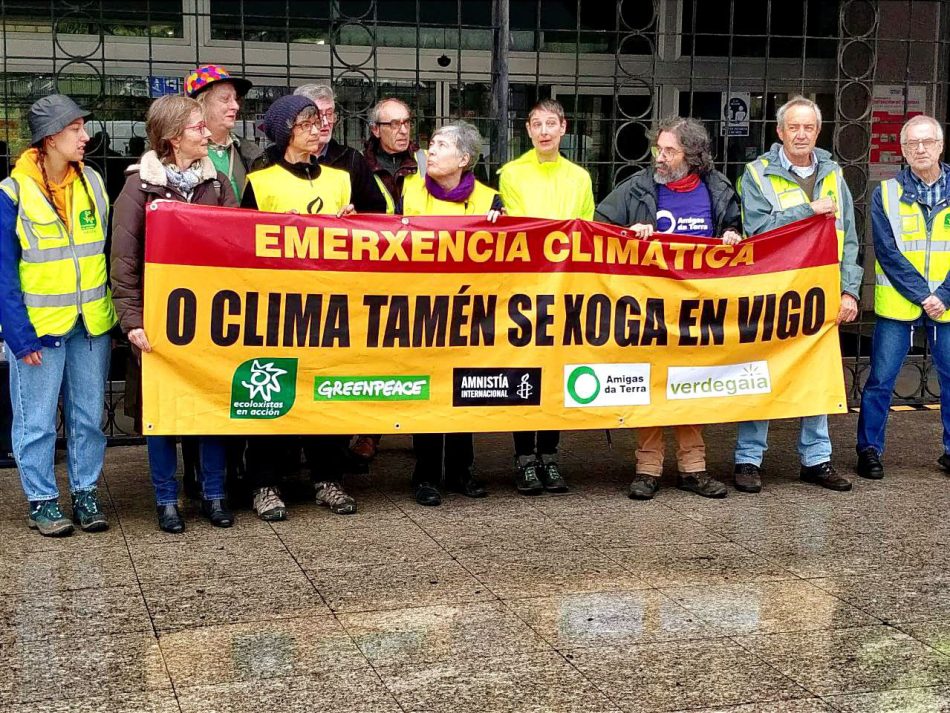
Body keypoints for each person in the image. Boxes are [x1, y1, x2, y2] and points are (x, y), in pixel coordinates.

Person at [111, 95, 239, 533]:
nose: (207, 133)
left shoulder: (217, 184)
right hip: (158, 324)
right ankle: (166, 500)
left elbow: (238, 246)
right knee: (163, 414)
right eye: (197, 128)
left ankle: (214, 494)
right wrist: (133, 322)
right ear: (171, 138)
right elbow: (123, 262)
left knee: (210, 408)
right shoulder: (137, 187)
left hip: (209, 319)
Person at [595, 116, 741, 500]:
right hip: (649, 308)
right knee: (649, 385)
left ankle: (694, 468)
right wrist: (629, 235)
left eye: (669, 151)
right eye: (659, 149)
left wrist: (733, 235)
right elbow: (599, 228)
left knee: (691, 387)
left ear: (692, 156)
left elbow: (738, 232)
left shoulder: (718, 188)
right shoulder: (637, 188)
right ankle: (647, 468)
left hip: (697, 309)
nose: (660, 157)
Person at [0, 94, 117, 536]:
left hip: (91, 323)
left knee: (88, 416)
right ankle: (43, 500)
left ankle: (85, 492)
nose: (85, 137)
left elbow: (101, 251)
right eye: (76, 129)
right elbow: (2, 272)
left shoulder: (93, 183)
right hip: (39, 329)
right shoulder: (11, 193)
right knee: (37, 419)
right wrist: (18, 335)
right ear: (50, 138)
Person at [734, 95, 862, 493]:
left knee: (816, 376)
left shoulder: (834, 174)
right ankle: (748, 459)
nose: (801, 134)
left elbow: (851, 240)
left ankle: (816, 460)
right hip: (772, 294)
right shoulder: (756, 174)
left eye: (809, 127)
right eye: (794, 127)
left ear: (818, 131)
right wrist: (808, 210)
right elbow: (757, 231)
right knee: (761, 373)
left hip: (821, 296)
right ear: (779, 131)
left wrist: (850, 291)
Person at [241, 94, 357, 517]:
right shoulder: (261, 181)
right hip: (278, 308)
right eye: (308, 123)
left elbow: (368, 237)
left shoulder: (340, 179)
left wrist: (353, 223)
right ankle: (265, 484)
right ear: (286, 131)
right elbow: (243, 247)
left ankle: (329, 479)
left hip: (329, 305)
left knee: (327, 394)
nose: (317, 129)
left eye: (320, 122)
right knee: (271, 395)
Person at [401, 120, 502, 506]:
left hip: (469, 310)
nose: (432, 151)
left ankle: (462, 470)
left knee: (464, 390)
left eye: (441, 145)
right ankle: (425, 475)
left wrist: (502, 227)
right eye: (432, 144)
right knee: (428, 392)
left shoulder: (490, 200)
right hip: (421, 307)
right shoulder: (409, 191)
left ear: (463, 158)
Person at [497, 98, 594, 496]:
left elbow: (585, 230)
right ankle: (524, 458)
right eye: (536, 124)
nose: (543, 131)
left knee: (556, 372)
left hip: (565, 288)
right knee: (525, 370)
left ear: (563, 128)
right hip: (525, 287)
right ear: (527, 130)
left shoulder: (580, 177)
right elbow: (522, 229)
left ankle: (550, 456)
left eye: (550, 123)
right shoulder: (512, 173)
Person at [857, 115, 950, 480]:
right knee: (880, 378)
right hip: (899, 306)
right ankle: (869, 449)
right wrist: (924, 295)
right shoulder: (887, 193)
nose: (921, 149)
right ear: (902, 150)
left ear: (941, 145)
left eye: (927, 142)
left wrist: (942, 294)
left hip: (947, 305)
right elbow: (887, 251)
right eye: (912, 144)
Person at [350, 97, 425, 463]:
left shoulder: (426, 161)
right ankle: (369, 430)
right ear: (375, 130)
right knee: (375, 355)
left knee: (420, 352)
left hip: (423, 272)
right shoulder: (358, 166)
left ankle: (419, 424)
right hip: (376, 273)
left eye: (406, 122)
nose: (402, 130)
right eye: (393, 124)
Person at [293, 83, 386, 212]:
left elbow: (376, 211)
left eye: (330, 114)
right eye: (318, 115)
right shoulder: (272, 159)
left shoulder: (352, 160)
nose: (326, 123)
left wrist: (355, 216)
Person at [185, 64, 260, 202]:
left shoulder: (251, 153)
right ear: (200, 104)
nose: (236, 106)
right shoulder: (176, 152)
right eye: (225, 99)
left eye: (235, 99)